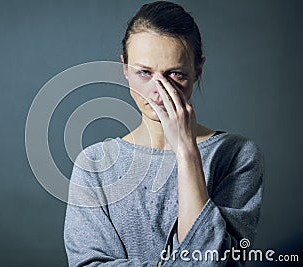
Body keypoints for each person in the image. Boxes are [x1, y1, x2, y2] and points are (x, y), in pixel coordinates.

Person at [63, 1, 264, 266]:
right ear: (125, 69)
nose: (159, 92)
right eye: (144, 73)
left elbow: (218, 262)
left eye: (175, 74)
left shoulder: (236, 155)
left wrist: (186, 151)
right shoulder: (94, 164)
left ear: (197, 71)